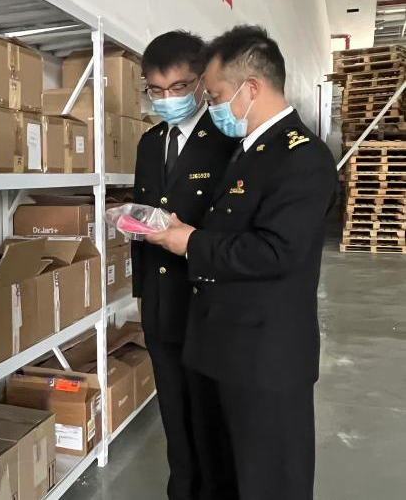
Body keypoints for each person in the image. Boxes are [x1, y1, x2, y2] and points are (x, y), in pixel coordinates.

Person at [146, 25, 338, 500]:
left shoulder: (302, 158)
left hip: (266, 358)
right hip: (223, 347)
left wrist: (190, 243)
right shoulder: (250, 152)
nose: (212, 108)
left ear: (251, 88)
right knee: (226, 476)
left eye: (215, 96)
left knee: (269, 481)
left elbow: (277, 252)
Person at [132, 30, 238, 500]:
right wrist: (141, 292)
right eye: (156, 90)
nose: (167, 99)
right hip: (160, 304)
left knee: (210, 414)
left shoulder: (227, 138)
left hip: (206, 301)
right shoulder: (150, 142)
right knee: (174, 414)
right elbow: (145, 215)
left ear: (199, 82)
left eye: (178, 87)